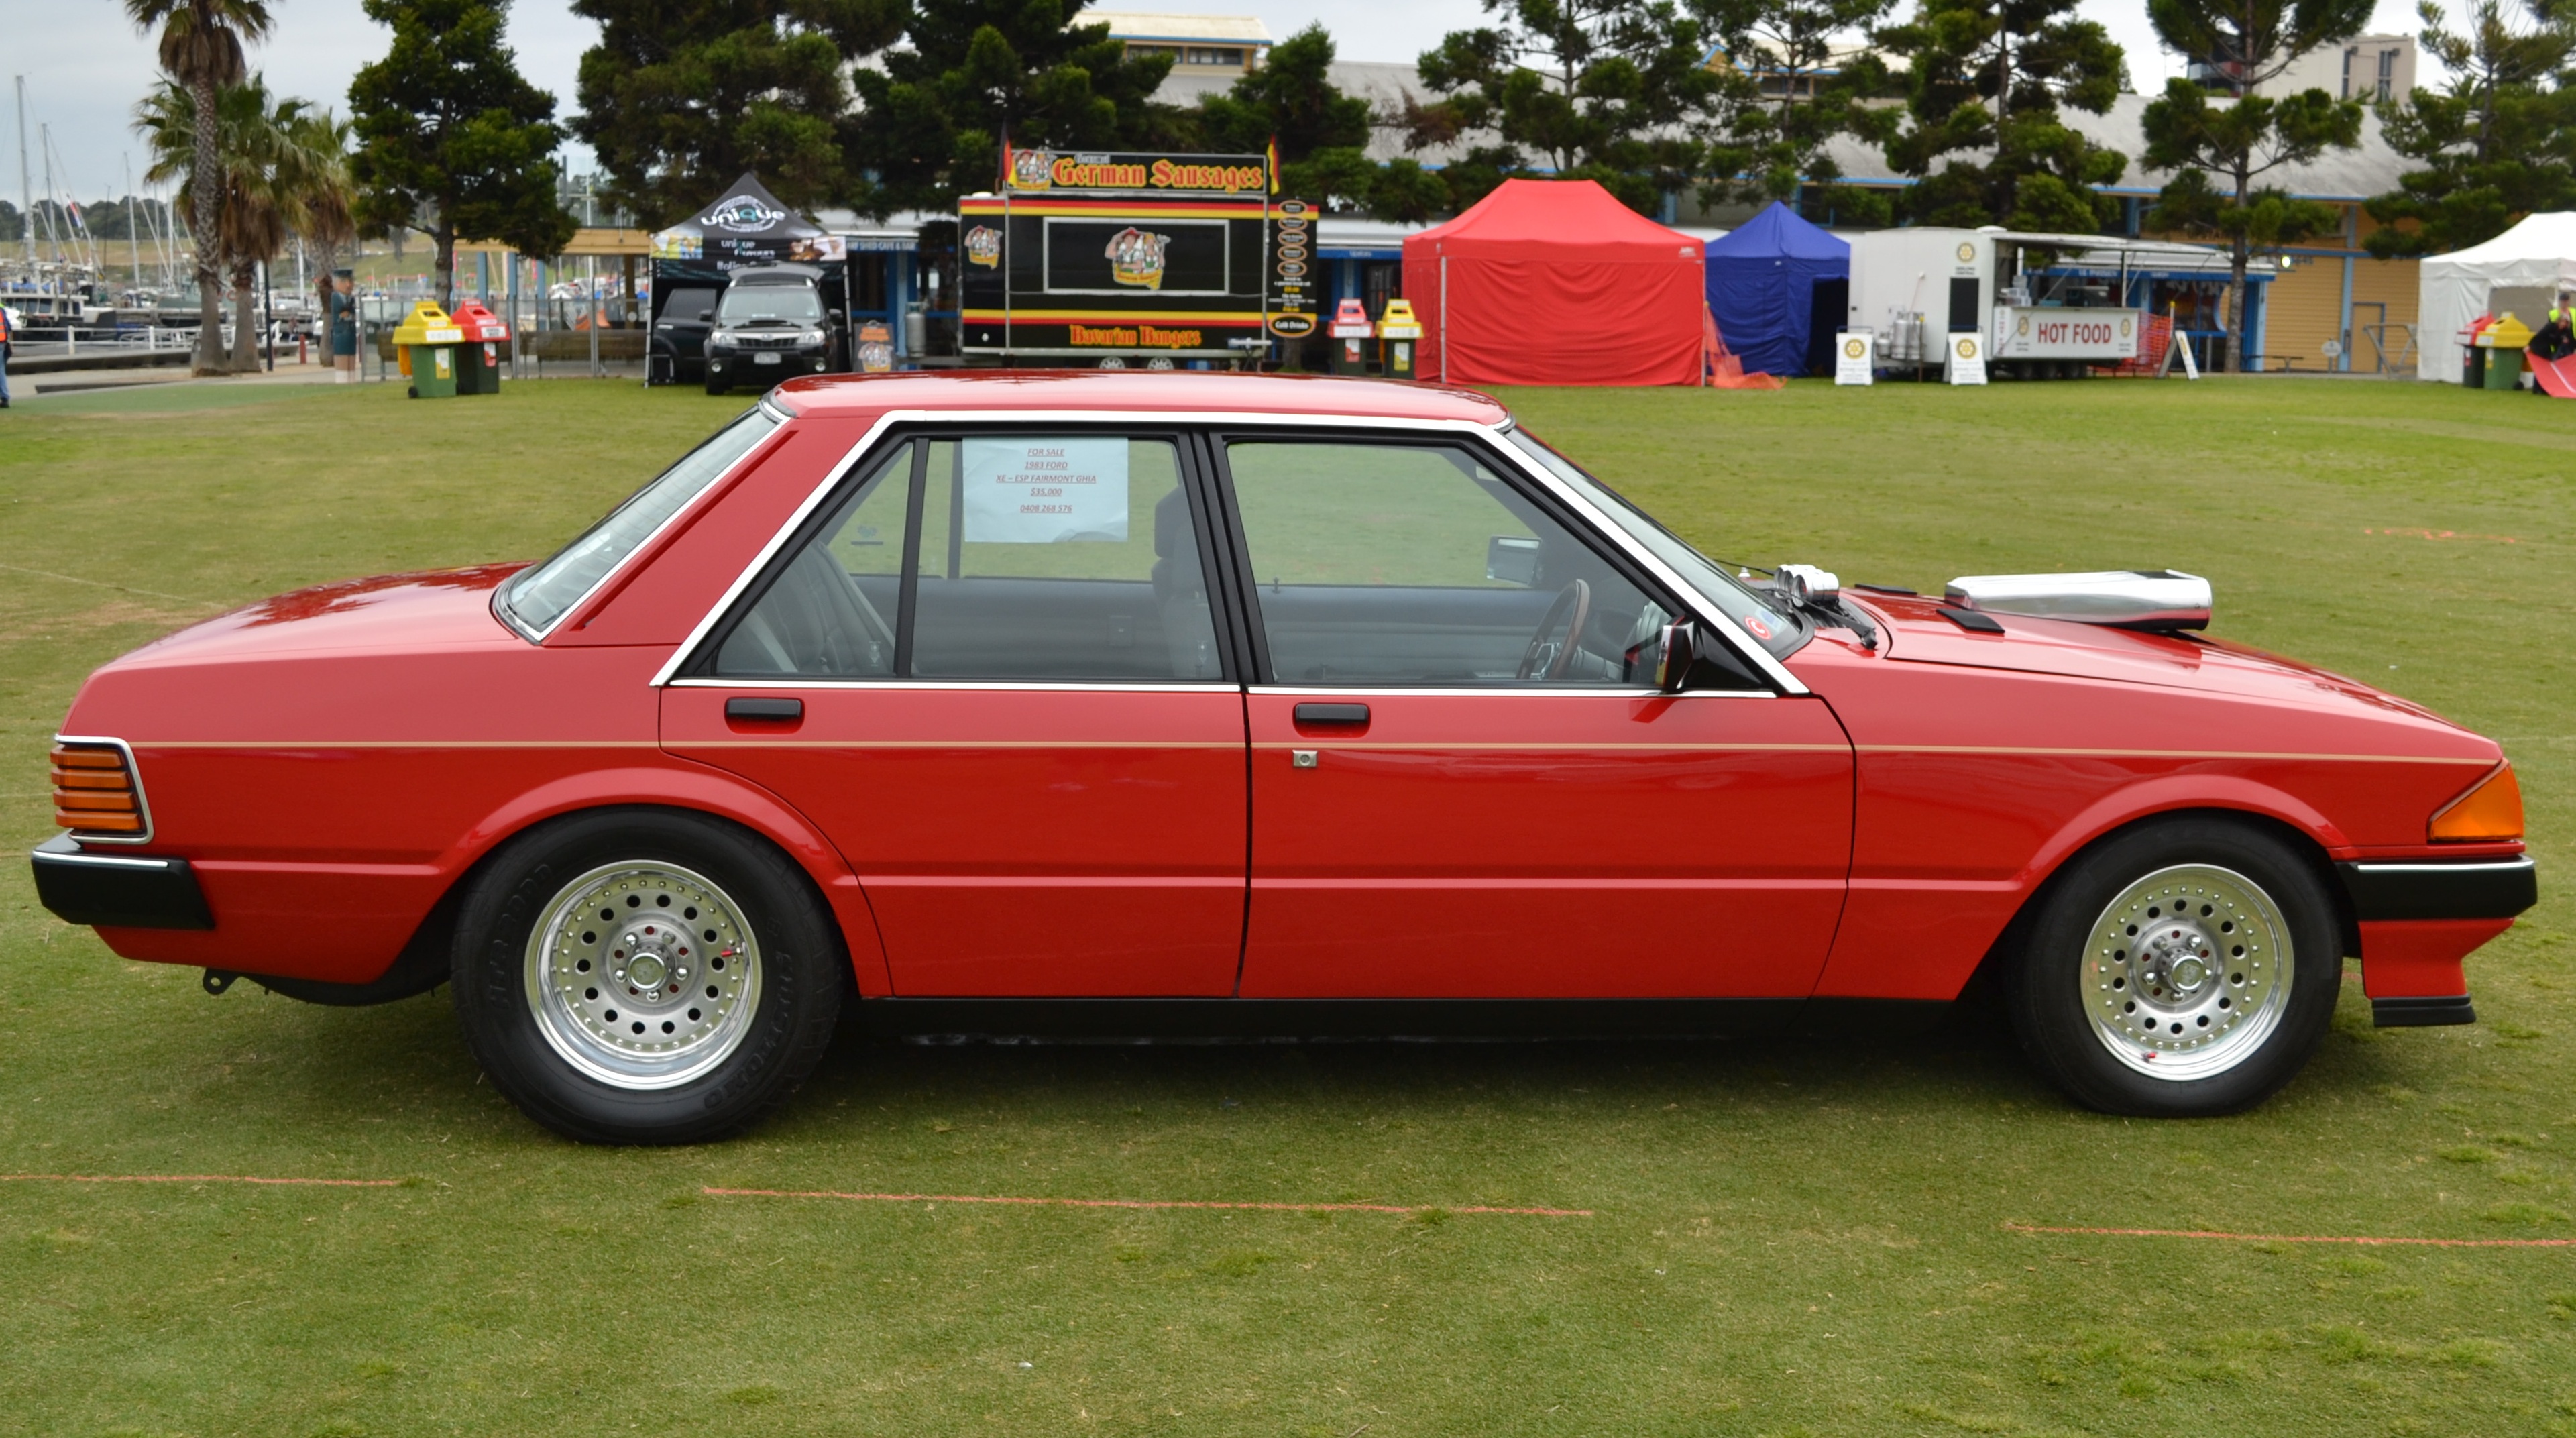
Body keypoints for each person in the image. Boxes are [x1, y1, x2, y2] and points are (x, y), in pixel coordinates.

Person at [329, 270, 359, 382]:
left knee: (351, 357)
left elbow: (352, 313)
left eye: (350, 281)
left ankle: (351, 378)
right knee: (342, 358)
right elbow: (336, 314)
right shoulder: (335, 297)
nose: (348, 285)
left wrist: (351, 316)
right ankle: (342, 379)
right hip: (340, 333)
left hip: (351, 333)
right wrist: (340, 316)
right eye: (343, 282)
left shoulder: (352, 298)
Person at [0, 300, 14, 408]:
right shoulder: (2, 309)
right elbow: (8, 327)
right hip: (2, 342)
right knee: (1, 370)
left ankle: (5, 396)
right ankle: (5, 397)